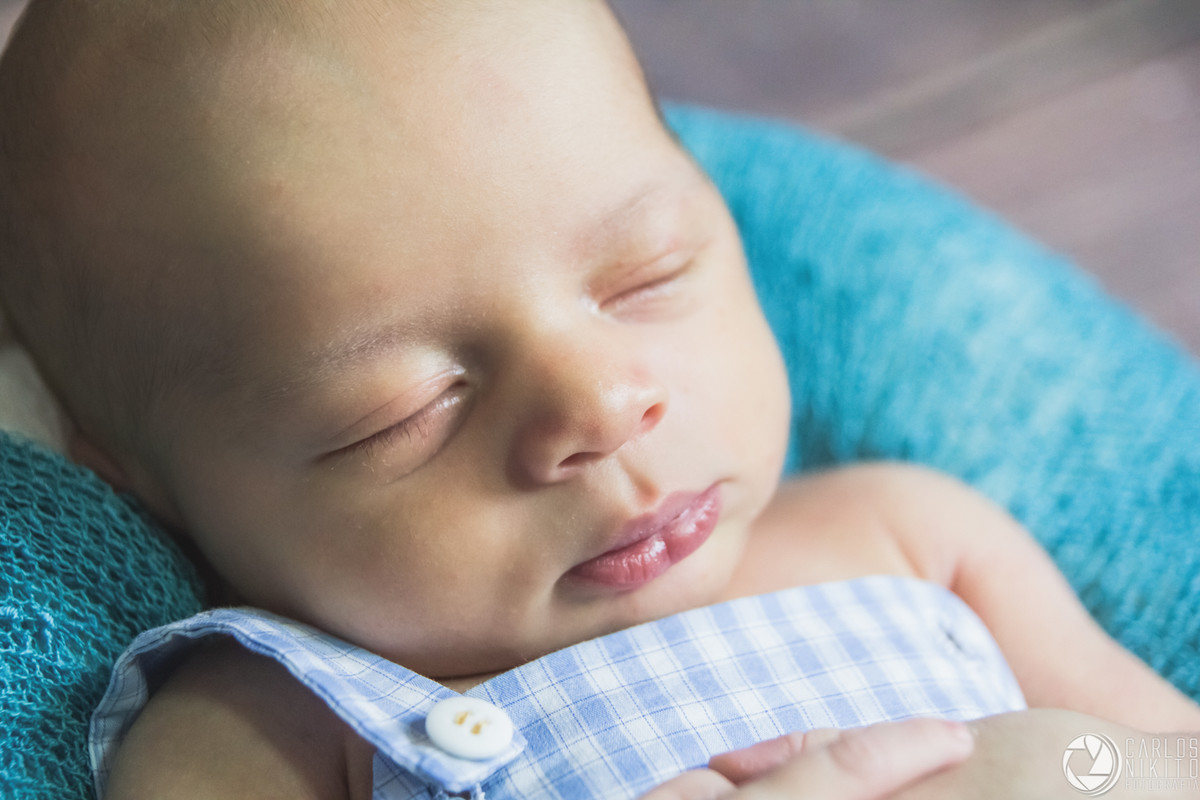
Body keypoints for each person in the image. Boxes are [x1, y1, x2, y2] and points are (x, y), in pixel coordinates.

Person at [0, 0, 1197, 797]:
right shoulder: (266, 718)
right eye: (405, 408)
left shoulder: (909, 535)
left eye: (646, 277)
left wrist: (1066, 764)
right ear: (136, 475)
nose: (603, 405)